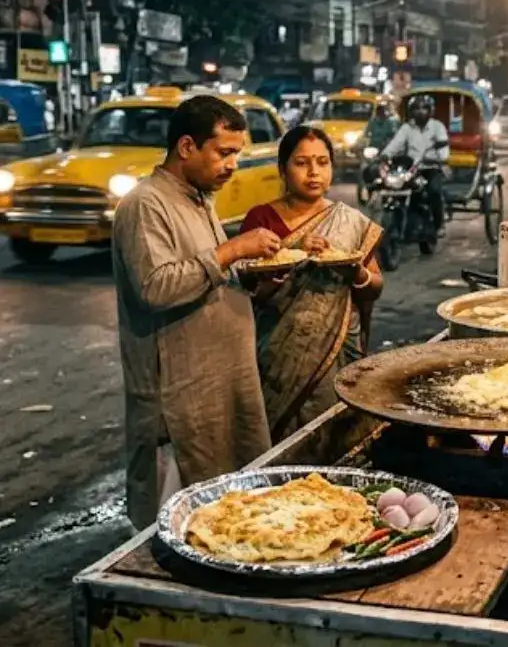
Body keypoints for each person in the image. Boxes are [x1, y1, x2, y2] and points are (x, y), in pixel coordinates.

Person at [112, 96, 282, 528]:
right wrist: (233, 249)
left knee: (226, 513)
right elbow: (157, 287)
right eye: (224, 153)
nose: (231, 165)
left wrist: (253, 276)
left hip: (220, 383)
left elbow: (207, 272)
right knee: (176, 523)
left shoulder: (197, 198)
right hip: (178, 397)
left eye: (236, 155)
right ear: (187, 146)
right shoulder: (145, 204)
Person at [240, 125, 384, 441]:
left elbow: (375, 284)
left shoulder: (351, 221)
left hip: (336, 354)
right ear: (282, 169)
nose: (313, 172)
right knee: (280, 442)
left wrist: (355, 272)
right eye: (302, 163)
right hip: (277, 357)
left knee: (336, 437)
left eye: (322, 162)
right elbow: (248, 293)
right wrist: (293, 255)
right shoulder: (260, 220)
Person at [382, 94, 450, 233]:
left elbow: (444, 149)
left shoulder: (437, 127)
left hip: (431, 168)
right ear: (411, 111)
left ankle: (439, 224)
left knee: (434, 191)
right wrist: (385, 154)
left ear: (430, 110)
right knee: (393, 188)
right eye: (416, 108)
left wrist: (440, 158)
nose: (420, 111)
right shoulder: (407, 128)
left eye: (424, 108)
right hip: (411, 169)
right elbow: (396, 143)